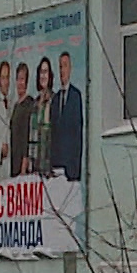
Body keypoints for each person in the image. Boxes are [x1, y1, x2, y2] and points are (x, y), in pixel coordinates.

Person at [49, 51, 83, 182]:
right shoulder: (56, 99)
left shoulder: (75, 96)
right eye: (60, 67)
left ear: (70, 68)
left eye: (65, 66)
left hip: (71, 168)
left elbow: (77, 133)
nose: (62, 70)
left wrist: (76, 169)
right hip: (56, 166)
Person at [28, 57, 54, 178]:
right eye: (41, 72)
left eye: (46, 72)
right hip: (35, 164)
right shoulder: (35, 103)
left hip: (49, 163)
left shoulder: (55, 100)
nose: (43, 76)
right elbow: (32, 134)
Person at [8, 64, 35, 177]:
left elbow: (26, 134)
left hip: (22, 164)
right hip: (13, 161)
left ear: (27, 82)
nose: (20, 83)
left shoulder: (29, 103)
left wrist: (24, 165)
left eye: (22, 79)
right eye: (18, 79)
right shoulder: (15, 105)